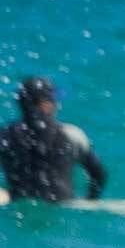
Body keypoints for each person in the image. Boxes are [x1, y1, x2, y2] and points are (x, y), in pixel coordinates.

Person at [0, 77, 109, 205]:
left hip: (18, 205)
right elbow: (99, 174)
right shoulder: (72, 135)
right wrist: (91, 200)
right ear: (46, 105)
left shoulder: (5, 137)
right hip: (63, 206)